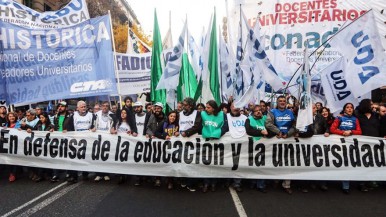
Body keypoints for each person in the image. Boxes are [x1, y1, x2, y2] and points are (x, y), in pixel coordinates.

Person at [265, 95, 296, 194]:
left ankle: (286, 184)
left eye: (284, 101)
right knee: (276, 161)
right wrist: (278, 132)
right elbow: (268, 123)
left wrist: (288, 133)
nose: (282, 102)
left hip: (288, 140)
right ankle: (275, 180)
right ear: (277, 103)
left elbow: (295, 126)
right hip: (276, 139)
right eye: (280, 101)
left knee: (288, 163)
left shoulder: (290, 113)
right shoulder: (272, 112)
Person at [330, 102, 362, 194]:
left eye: (351, 107)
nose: (349, 109)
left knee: (347, 164)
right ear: (344, 109)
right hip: (339, 145)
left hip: (351, 146)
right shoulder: (339, 118)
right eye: (347, 107)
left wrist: (351, 132)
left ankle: (345, 185)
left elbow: (359, 131)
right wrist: (343, 133)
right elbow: (332, 129)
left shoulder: (355, 119)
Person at [64, 100, 97, 183]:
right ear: (77, 108)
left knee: (85, 157)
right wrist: (67, 130)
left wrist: (93, 128)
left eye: (84, 106)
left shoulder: (91, 115)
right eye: (81, 107)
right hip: (76, 140)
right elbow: (68, 125)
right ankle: (73, 176)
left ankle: (85, 174)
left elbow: (95, 124)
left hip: (87, 140)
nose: (83, 108)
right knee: (74, 158)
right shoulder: (73, 116)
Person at [201, 100, 228, 193]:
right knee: (206, 162)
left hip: (217, 141)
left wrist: (217, 133)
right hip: (206, 142)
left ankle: (213, 183)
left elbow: (225, 126)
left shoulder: (222, 114)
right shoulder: (202, 114)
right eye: (206, 107)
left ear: (213, 108)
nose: (206, 109)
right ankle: (206, 183)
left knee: (215, 162)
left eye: (208, 107)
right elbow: (198, 125)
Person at [245, 105, 269, 193]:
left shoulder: (266, 118)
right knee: (254, 165)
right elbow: (249, 130)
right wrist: (260, 132)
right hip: (254, 146)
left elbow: (270, 128)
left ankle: (261, 185)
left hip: (266, 146)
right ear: (253, 112)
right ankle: (253, 182)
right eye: (256, 111)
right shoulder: (249, 119)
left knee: (262, 166)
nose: (259, 112)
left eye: (260, 110)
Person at [155, 110, 179, 189]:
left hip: (172, 148)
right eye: (171, 116)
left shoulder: (177, 125)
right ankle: (158, 178)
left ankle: (170, 181)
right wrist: (164, 136)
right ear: (168, 116)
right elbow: (156, 133)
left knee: (170, 164)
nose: (172, 118)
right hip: (162, 148)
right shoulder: (163, 123)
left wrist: (178, 133)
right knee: (160, 162)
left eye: (174, 116)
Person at [27, 112, 54, 182]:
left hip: (47, 145)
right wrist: (30, 130)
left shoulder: (51, 126)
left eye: (43, 117)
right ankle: (40, 175)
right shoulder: (38, 125)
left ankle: (48, 174)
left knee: (47, 160)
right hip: (39, 145)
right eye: (40, 118)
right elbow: (33, 130)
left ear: (46, 118)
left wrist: (53, 131)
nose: (41, 119)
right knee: (40, 160)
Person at [94, 101, 118, 182]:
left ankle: (106, 174)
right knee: (98, 156)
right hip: (98, 138)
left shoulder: (112, 115)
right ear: (101, 107)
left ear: (109, 107)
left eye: (106, 106)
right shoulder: (97, 114)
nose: (105, 107)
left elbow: (115, 125)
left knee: (106, 156)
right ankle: (98, 174)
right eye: (103, 106)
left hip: (108, 139)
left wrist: (114, 129)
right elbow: (93, 125)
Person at [227, 101, 247, 192]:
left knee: (238, 165)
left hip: (241, 146)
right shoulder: (226, 116)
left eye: (237, 106)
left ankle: (237, 183)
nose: (235, 108)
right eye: (233, 106)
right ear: (230, 107)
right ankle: (227, 181)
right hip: (227, 145)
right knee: (227, 163)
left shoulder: (245, 118)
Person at [50, 101, 71, 182]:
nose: (60, 108)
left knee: (67, 156)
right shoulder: (56, 116)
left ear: (66, 108)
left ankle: (68, 173)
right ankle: (55, 174)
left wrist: (68, 130)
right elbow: (54, 126)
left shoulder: (70, 116)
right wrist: (52, 129)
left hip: (67, 139)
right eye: (59, 106)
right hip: (57, 138)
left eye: (62, 106)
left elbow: (73, 127)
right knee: (55, 156)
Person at [4, 112, 21, 182]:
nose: (11, 118)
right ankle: (11, 173)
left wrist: (21, 130)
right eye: (10, 116)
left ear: (15, 117)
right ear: (8, 118)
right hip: (8, 145)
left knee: (15, 159)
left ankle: (13, 174)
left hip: (17, 145)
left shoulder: (19, 124)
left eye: (13, 116)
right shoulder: (5, 125)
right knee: (9, 160)